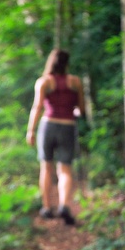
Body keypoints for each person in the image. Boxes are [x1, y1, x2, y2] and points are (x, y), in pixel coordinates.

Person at [26, 49, 85, 225]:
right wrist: (73, 110)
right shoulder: (75, 82)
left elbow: (37, 107)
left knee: (46, 167)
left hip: (48, 126)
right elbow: (81, 109)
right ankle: (64, 205)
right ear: (67, 63)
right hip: (68, 126)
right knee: (65, 169)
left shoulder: (44, 82)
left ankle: (46, 207)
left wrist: (31, 130)